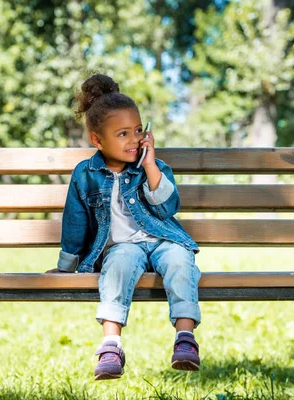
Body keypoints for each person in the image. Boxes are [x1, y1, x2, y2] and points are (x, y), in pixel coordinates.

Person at [49, 74, 202, 380]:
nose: (133, 140)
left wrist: (149, 166)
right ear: (97, 140)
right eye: (122, 134)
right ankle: (111, 345)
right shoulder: (86, 174)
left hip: (161, 239)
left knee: (180, 261)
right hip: (122, 247)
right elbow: (75, 223)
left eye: (136, 131)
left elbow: (168, 207)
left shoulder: (152, 167)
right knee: (117, 265)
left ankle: (185, 339)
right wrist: (66, 267)